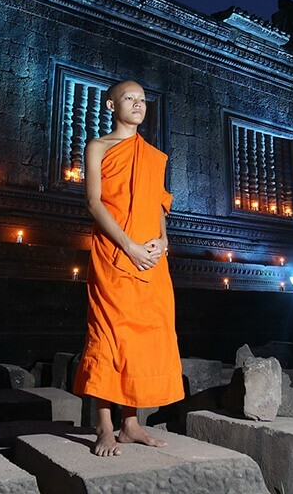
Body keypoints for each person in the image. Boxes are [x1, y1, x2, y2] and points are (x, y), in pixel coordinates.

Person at [72, 80, 184, 456]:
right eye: (129, 99)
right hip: (114, 253)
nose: (138, 104)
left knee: (144, 336)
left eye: (142, 100)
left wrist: (163, 240)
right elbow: (93, 202)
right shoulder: (98, 147)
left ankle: (131, 424)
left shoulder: (152, 155)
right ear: (111, 106)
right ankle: (104, 426)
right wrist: (129, 246)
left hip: (151, 259)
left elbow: (158, 205)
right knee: (108, 334)